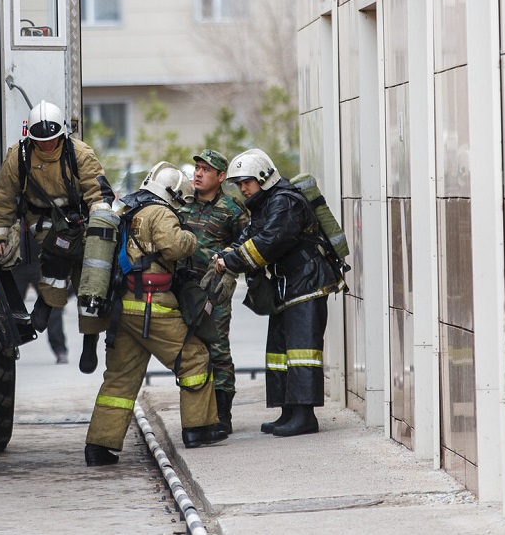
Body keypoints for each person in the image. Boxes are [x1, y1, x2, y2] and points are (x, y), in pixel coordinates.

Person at [84, 162, 227, 466]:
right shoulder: (161, 212)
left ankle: (99, 445)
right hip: (153, 305)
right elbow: (174, 246)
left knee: (120, 379)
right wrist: (190, 237)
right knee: (195, 357)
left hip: (124, 310)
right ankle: (197, 429)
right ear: (174, 193)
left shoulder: (131, 210)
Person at [213, 149, 338, 437]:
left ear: (263, 178)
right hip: (288, 286)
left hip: (307, 284)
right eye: (239, 184)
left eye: (247, 182)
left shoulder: (284, 201)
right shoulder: (266, 202)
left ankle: (305, 416)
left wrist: (231, 262)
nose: (243, 189)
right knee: (280, 352)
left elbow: (269, 242)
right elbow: (249, 237)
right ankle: (288, 411)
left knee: (302, 352)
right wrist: (225, 253)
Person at [0, 100, 115, 343]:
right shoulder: (19, 157)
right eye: (41, 141)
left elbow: (98, 191)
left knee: (89, 273)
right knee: (58, 248)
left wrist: (99, 224)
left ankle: (90, 339)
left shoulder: (79, 154)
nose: (47, 145)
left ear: (62, 134)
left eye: (52, 139)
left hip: (80, 220)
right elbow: (3, 197)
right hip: (42, 219)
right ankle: (47, 302)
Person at [179, 149, 249, 434]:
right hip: (184, 289)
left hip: (214, 291)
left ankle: (223, 416)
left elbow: (247, 247)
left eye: (206, 170)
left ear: (220, 177)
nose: (198, 173)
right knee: (190, 350)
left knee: (217, 349)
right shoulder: (181, 204)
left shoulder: (233, 210)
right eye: (197, 168)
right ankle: (199, 413)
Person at [10, 225, 69, 363]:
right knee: (10, 310)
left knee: (52, 306)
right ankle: (8, 349)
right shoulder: (14, 205)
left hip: (40, 262)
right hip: (17, 264)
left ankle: (60, 350)